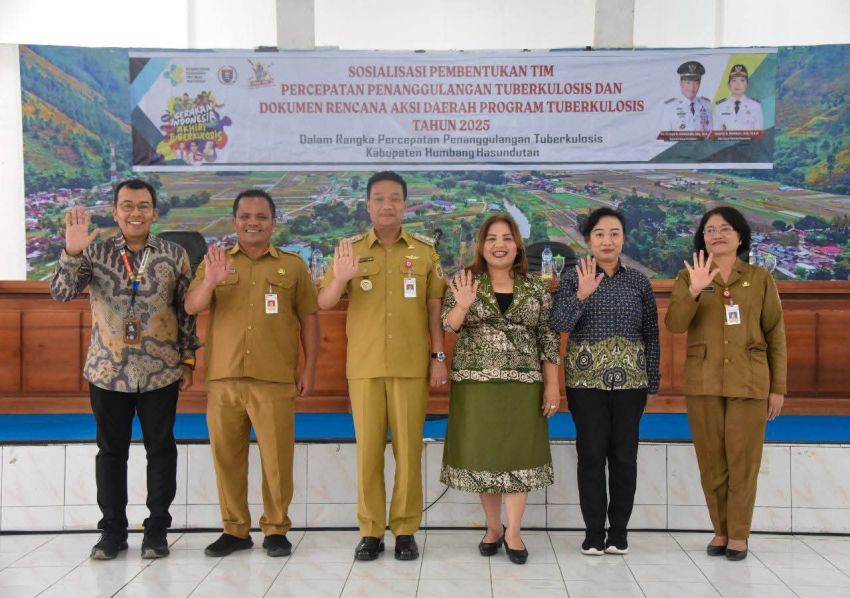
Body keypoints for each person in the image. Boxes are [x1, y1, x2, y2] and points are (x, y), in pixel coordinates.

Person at [50, 179, 199, 560]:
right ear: (115, 212)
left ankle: (157, 531)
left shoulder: (174, 254)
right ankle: (112, 532)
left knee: (161, 450)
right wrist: (71, 251)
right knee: (111, 453)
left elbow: (186, 311)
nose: (136, 213)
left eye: (143, 206)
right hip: (108, 370)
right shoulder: (94, 252)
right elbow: (62, 293)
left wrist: (188, 359)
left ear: (155, 212)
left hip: (160, 371)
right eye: (127, 206)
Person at [318, 171, 447, 562]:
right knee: (369, 453)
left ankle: (405, 530)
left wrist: (438, 357)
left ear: (405, 205)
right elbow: (324, 302)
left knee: (408, 452)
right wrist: (340, 279)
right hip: (366, 365)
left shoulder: (425, 252)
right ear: (368, 204)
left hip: (411, 365)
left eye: (394, 198)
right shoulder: (350, 250)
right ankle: (371, 531)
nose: (386, 205)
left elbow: (434, 309)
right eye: (379, 198)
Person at [185, 189, 319, 558]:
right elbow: (192, 306)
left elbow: (309, 319)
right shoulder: (216, 262)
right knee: (227, 458)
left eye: (261, 217)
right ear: (235, 222)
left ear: (273, 222)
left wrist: (309, 367)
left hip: (274, 378)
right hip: (224, 377)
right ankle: (235, 530)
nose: (253, 223)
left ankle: (276, 529)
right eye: (245, 216)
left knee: (277, 460)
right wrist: (210, 281)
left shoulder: (293, 266)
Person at [665, 206, 786, 561]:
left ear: (740, 236)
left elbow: (775, 334)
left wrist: (777, 387)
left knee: (743, 462)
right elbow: (674, 324)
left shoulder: (760, 278)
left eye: (725, 229)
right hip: (703, 381)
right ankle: (720, 531)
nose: (716, 235)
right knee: (712, 462)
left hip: (749, 381)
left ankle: (739, 535)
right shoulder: (688, 276)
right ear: (702, 238)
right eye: (710, 230)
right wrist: (695, 291)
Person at [440, 214, 561, 565]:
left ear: (517, 245)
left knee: (518, 455)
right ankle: (493, 528)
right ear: (482, 246)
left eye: (506, 238)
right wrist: (463, 304)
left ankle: (514, 532)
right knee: (485, 456)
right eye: (492, 238)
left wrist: (553, 385)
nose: (499, 245)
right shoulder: (464, 281)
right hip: (476, 385)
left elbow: (548, 338)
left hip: (524, 385)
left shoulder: (535, 287)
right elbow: (448, 325)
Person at [551, 207, 660, 556]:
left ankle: (619, 532)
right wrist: (582, 294)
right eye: (599, 234)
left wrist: (652, 381)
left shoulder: (638, 281)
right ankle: (594, 533)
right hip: (586, 384)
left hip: (631, 384)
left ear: (623, 238)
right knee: (591, 457)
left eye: (614, 233)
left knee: (625, 458)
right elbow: (559, 324)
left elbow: (651, 334)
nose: (607, 240)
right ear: (588, 240)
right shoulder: (573, 278)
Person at [660, 60, 712, 133]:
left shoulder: (706, 104)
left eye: (696, 83)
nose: (692, 87)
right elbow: (664, 137)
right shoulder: (669, 107)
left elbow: (711, 133)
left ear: (700, 84)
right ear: (681, 83)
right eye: (688, 83)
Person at [714, 64, 764, 131]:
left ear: (747, 85)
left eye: (742, 80)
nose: (738, 84)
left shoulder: (755, 106)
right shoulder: (720, 107)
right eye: (734, 80)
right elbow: (716, 134)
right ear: (729, 84)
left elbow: (758, 134)